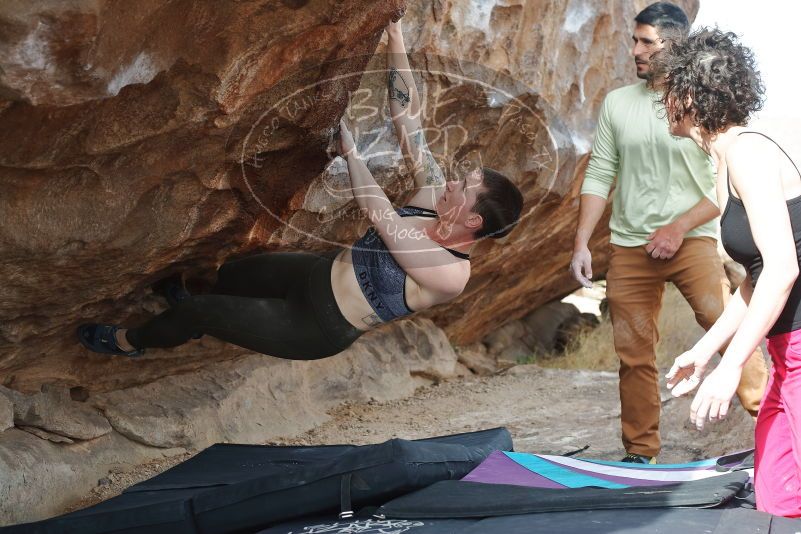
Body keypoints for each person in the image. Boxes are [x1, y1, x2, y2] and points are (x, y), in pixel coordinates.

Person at [77, 19, 524, 361]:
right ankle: (196, 301)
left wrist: (351, 154)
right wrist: (396, 39)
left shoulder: (450, 275)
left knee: (199, 315)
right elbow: (408, 121)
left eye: (463, 187)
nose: (449, 181)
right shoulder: (432, 200)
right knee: (232, 274)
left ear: (472, 220)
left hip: (314, 324)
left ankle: (130, 340)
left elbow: (382, 217)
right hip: (315, 272)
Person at [568, 2, 767, 464]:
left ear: (673, 46)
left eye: (646, 42)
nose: (634, 50)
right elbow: (600, 172)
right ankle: (641, 454)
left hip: (692, 242)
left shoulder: (700, 103)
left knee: (727, 330)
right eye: (634, 40)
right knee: (633, 354)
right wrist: (581, 241)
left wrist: (678, 228)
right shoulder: (617, 103)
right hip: (630, 247)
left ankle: (768, 422)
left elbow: (726, 187)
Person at [657, 28, 801, 517]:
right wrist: (704, 351)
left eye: (669, 87)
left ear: (689, 96)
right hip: (788, 356)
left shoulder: (747, 152)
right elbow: (757, 275)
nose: (662, 98)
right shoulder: (723, 161)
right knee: (778, 498)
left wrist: (732, 365)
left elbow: (783, 269)